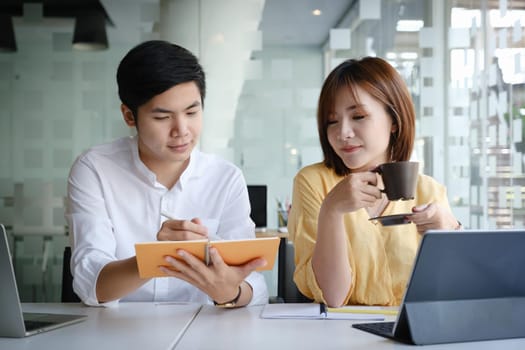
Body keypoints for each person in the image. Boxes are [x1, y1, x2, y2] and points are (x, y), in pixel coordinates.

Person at [65, 40, 268, 307]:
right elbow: (90, 283)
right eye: (162, 118)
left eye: (192, 112)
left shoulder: (225, 178)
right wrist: (157, 257)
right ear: (129, 115)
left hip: (203, 331)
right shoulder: (95, 169)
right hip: (116, 332)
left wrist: (229, 293)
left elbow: (255, 285)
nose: (182, 130)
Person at [288, 57, 460, 308]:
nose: (343, 132)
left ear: (394, 120)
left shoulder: (429, 190)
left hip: (414, 331)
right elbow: (333, 296)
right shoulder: (313, 182)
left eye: (358, 116)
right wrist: (332, 209)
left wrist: (451, 231)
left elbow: (451, 291)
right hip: (343, 337)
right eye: (332, 121)